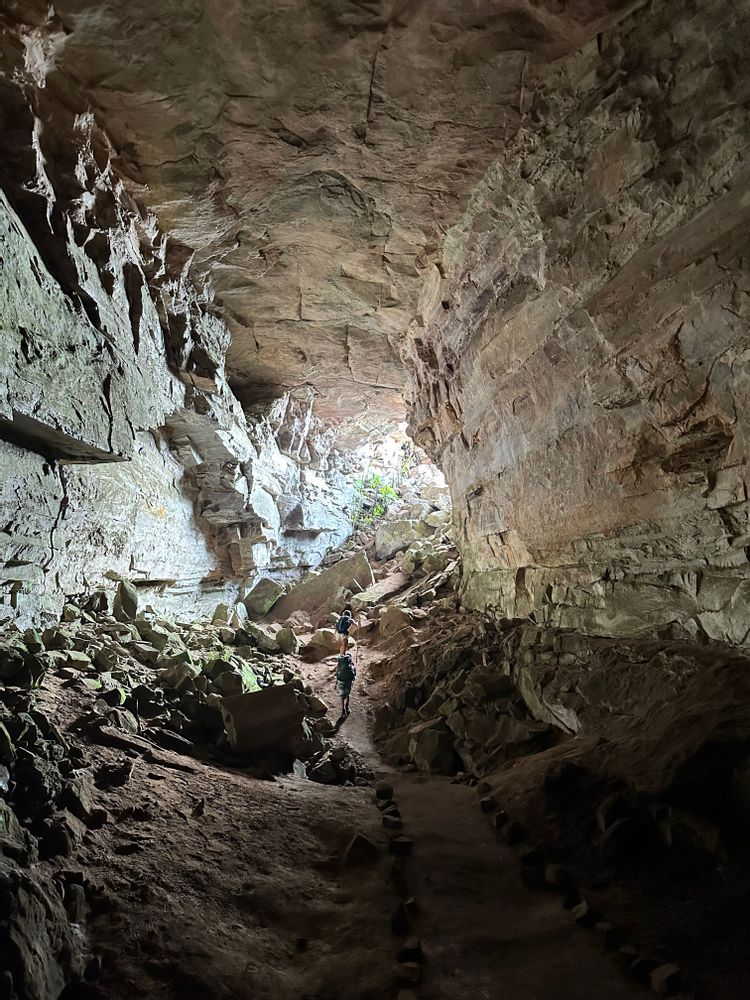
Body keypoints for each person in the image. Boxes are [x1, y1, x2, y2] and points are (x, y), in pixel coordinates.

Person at [335, 650, 356, 718]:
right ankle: (347, 707)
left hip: (341, 681)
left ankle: (343, 710)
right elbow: (354, 674)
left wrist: (336, 682)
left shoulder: (340, 664)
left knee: (342, 696)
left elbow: (337, 672)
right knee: (347, 695)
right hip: (348, 682)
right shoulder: (351, 666)